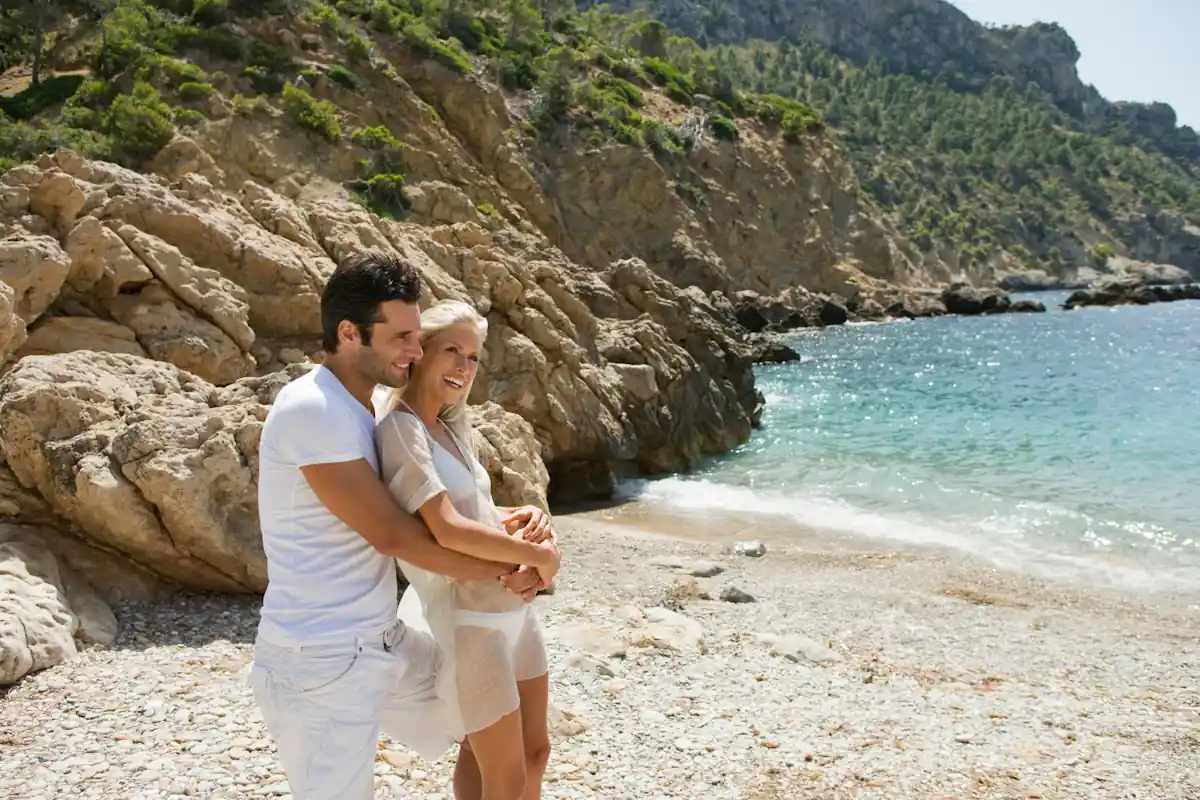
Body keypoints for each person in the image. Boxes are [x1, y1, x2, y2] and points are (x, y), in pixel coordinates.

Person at [247, 251, 551, 800]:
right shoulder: (313, 409)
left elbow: (430, 502)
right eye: (403, 337)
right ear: (348, 332)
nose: (417, 351)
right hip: (319, 656)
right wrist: (515, 566)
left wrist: (513, 525)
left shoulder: (363, 411)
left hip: (382, 641)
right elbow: (397, 534)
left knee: (478, 722)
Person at [376, 299, 559, 800]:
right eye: (452, 350)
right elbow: (446, 525)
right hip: (474, 623)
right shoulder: (401, 428)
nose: (463, 366)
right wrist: (539, 560)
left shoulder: (450, 425)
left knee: (535, 755)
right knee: (505, 778)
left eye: (474, 356)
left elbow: (474, 510)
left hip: (516, 613)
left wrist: (525, 518)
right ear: (419, 352)